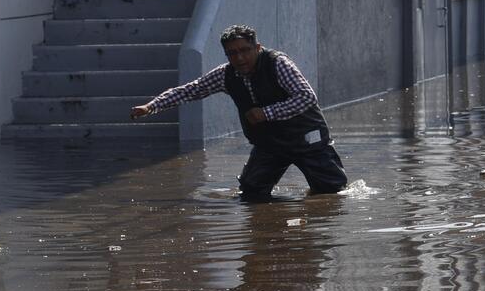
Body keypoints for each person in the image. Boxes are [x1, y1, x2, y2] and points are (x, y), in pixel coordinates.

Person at [131, 24, 347, 200]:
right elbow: (191, 90)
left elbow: (307, 97)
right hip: (270, 145)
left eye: (245, 51)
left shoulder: (278, 64)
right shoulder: (226, 75)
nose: (240, 58)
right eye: (232, 53)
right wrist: (152, 106)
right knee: (251, 193)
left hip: (307, 139)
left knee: (333, 194)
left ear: (258, 47)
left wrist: (266, 113)